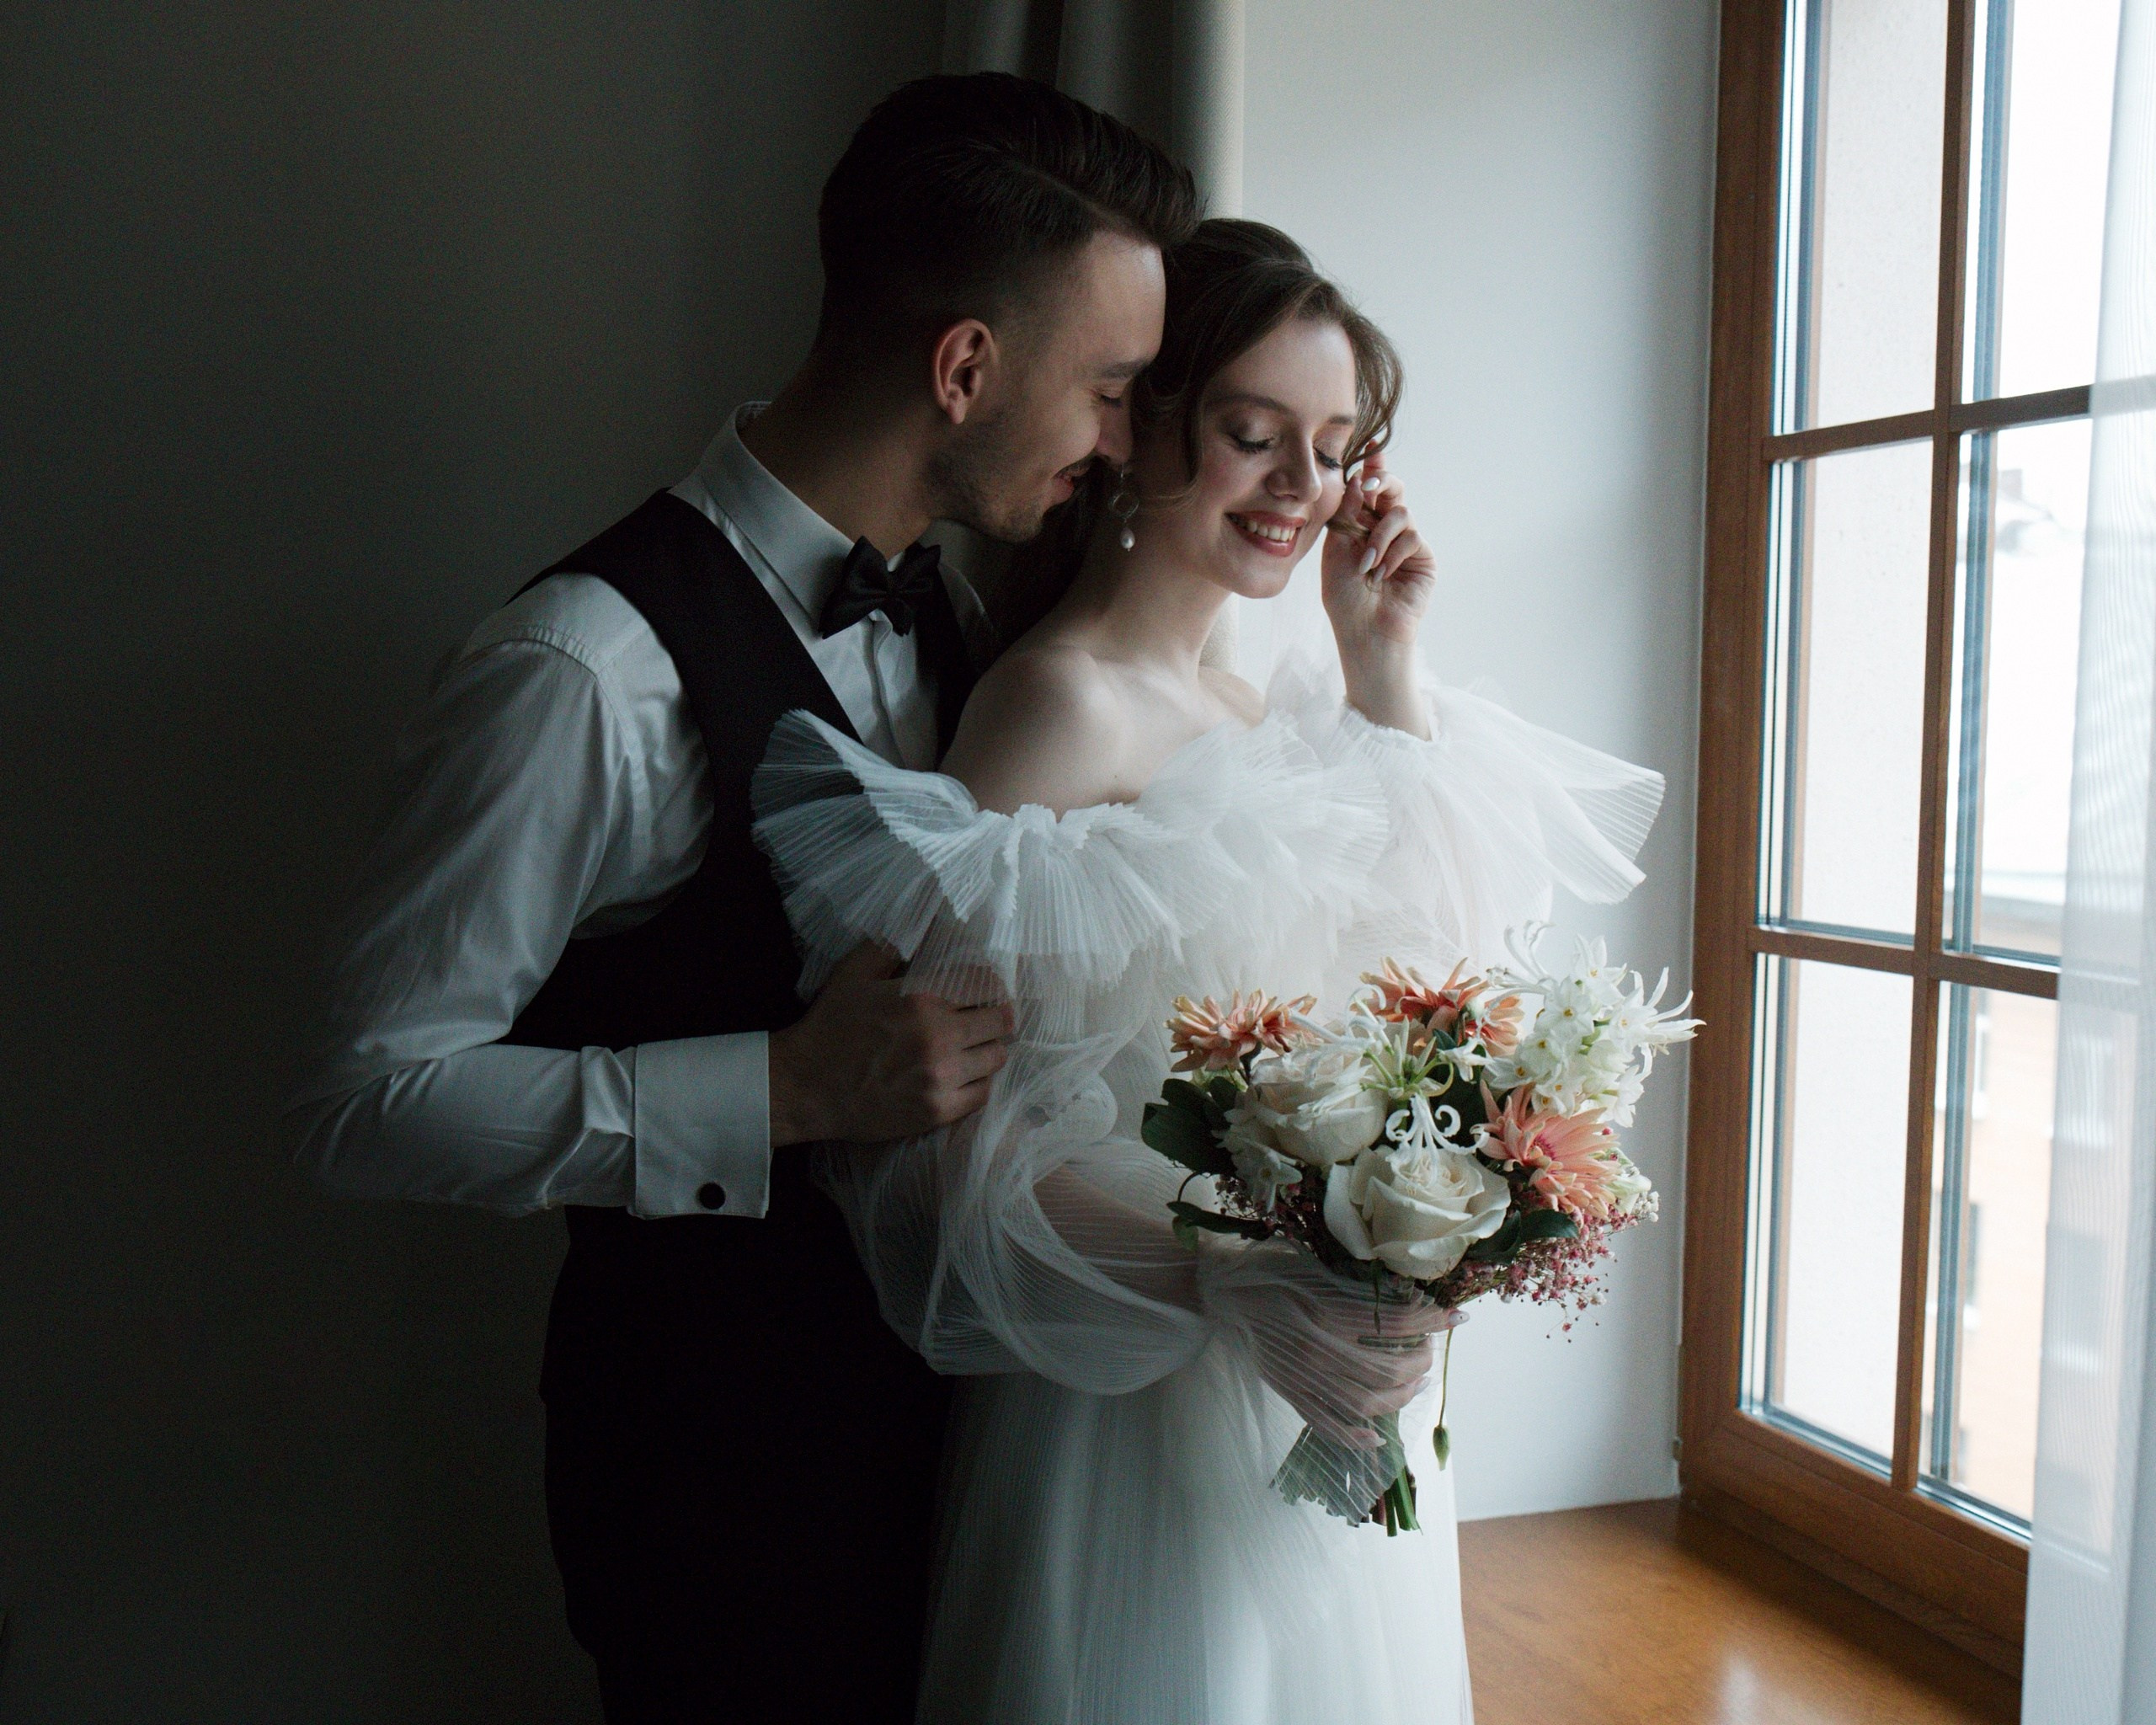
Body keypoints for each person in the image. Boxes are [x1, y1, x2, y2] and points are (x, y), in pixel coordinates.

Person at [282, 73, 1199, 1722]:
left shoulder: (980, 622)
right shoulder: (580, 672)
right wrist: (771, 1088)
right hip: (722, 1496)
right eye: (1113, 391)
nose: (1125, 445)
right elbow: (361, 1096)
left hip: (986, 1464)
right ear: (964, 366)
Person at [750, 220, 1668, 1723]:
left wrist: (1385, 672)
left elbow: (1434, 1005)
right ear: (1137, 427)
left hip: (1321, 1396)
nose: (1300, 488)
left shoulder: (1281, 706)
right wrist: (1241, 1281)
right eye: (1253, 436)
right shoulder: (1052, 712)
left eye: (1333, 447)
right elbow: (934, 1145)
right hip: (1132, 1418)